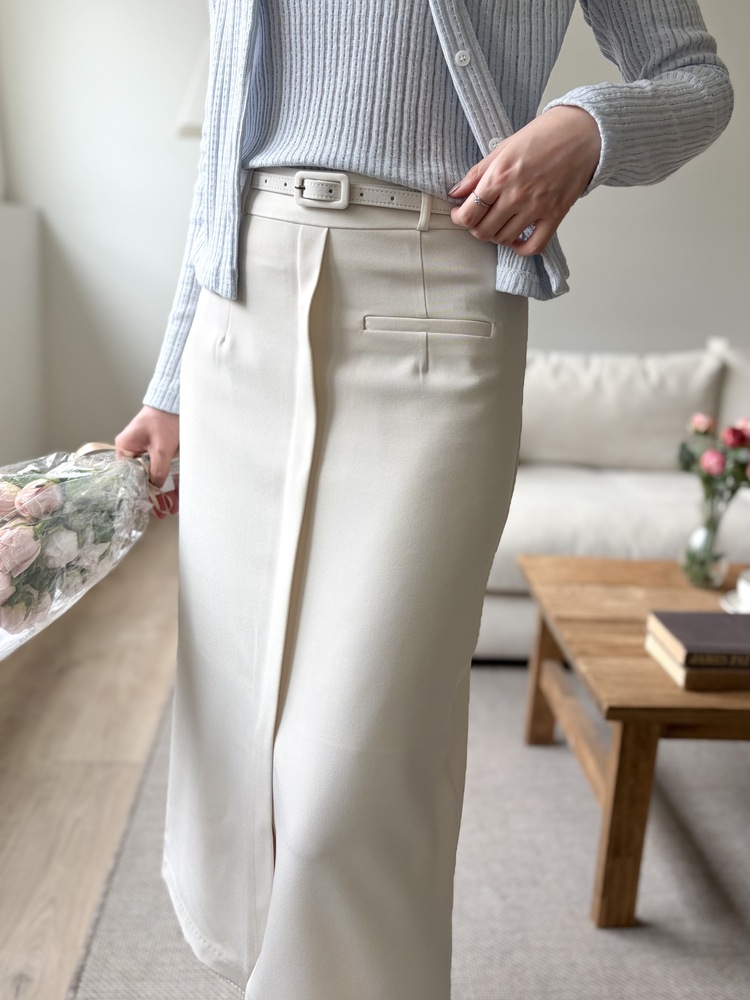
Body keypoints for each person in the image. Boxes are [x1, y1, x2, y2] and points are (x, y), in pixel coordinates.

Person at [115, 2, 732, 997]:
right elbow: (225, 140)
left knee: (345, 786)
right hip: (241, 322)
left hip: (437, 304)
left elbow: (698, 81)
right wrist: (171, 382)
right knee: (239, 752)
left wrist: (588, 127)